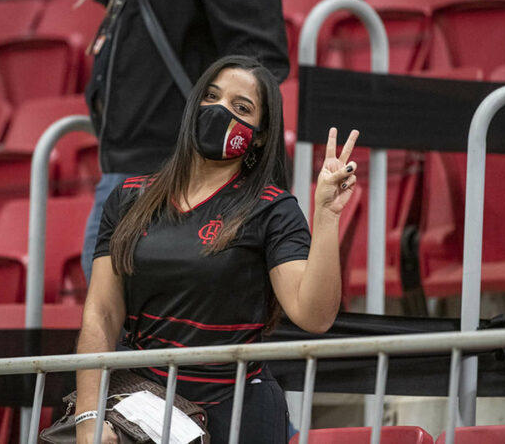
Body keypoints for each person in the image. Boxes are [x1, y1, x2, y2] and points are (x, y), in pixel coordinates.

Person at [75, 55, 359, 444]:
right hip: (142, 411)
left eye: (241, 107)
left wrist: (325, 217)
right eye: (211, 96)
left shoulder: (271, 208)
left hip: (238, 414)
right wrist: (89, 419)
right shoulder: (128, 198)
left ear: (259, 135)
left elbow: (313, 315)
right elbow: (102, 312)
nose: (220, 110)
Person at [76, 0, 290, 283]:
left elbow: (257, 59)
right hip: (138, 167)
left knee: (167, 316)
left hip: (186, 172)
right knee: (119, 311)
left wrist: (217, 164)